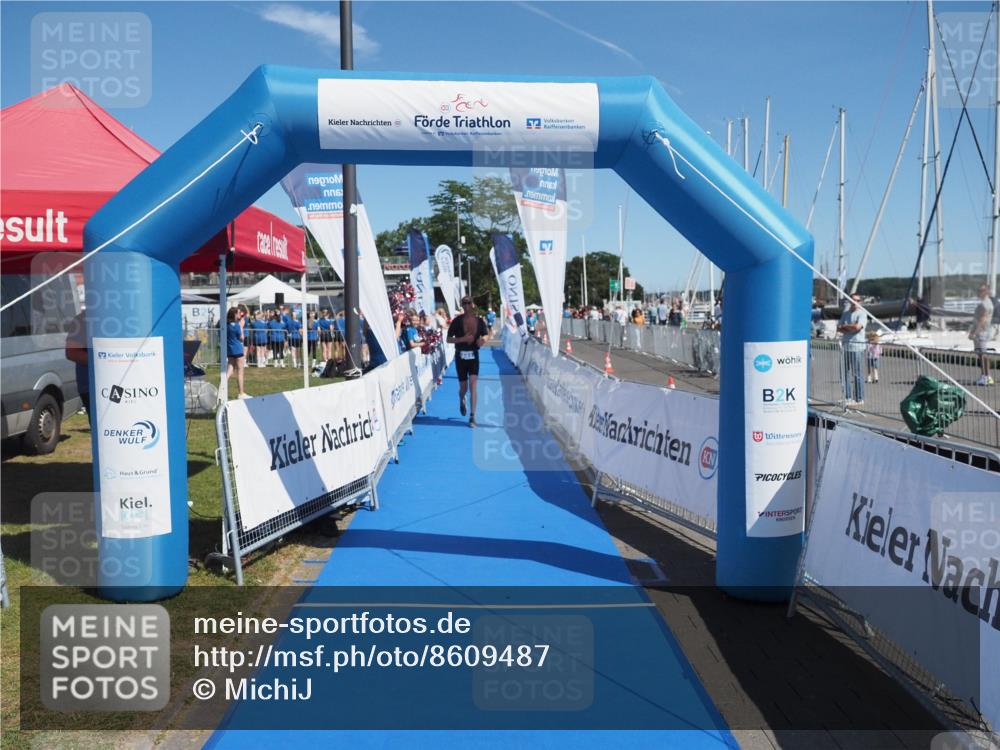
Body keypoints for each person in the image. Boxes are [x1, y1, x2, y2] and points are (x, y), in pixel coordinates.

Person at [447, 296, 490, 427]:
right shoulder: (456, 321)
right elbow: (448, 339)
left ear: (472, 305)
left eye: (468, 303)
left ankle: (472, 416)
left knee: (473, 386)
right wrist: (462, 339)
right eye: (463, 303)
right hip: (460, 357)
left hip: (473, 357)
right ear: (462, 305)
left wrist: (482, 341)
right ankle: (461, 398)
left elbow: (486, 334)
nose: (466, 305)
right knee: (463, 388)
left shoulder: (479, 321)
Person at [838, 293, 868, 405]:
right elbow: (839, 328)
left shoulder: (862, 314)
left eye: (858, 300)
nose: (856, 302)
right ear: (850, 301)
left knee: (857, 374)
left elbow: (858, 327)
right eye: (854, 300)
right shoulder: (845, 314)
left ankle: (859, 398)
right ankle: (847, 397)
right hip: (846, 346)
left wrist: (846, 327)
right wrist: (849, 327)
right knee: (844, 373)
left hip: (857, 347)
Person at [65, 310, 90, 419]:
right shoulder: (82, 320)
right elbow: (72, 352)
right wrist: (105, 363)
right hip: (91, 386)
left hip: (125, 385)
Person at [971, 284, 995, 385]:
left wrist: (974, 333)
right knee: (980, 354)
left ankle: (987, 376)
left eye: (981, 290)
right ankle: (984, 375)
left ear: (986, 291)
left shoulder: (985, 304)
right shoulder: (985, 303)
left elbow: (983, 320)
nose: (979, 292)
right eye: (979, 290)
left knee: (983, 354)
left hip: (982, 332)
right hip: (980, 332)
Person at [226, 307, 249, 399]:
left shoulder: (227, 325)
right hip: (238, 350)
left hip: (230, 350)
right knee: (240, 372)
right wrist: (241, 327)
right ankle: (241, 393)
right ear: (234, 314)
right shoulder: (237, 326)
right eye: (238, 313)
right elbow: (242, 338)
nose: (240, 315)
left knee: (229, 371)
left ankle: (222, 386)